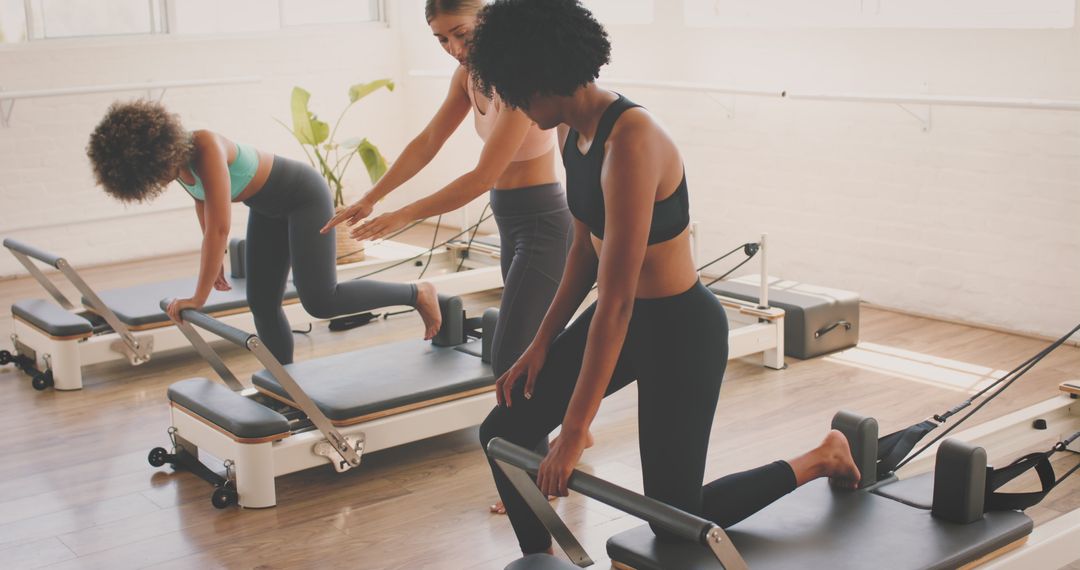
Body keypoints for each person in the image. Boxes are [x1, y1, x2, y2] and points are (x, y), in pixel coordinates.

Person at [468, 0, 862, 555]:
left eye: (516, 90)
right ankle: (540, 559)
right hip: (629, 321)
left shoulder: (631, 142)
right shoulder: (570, 133)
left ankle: (822, 457)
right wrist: (541, 345)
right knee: (500, 434)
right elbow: (582, 251)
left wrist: (576, 430)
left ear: (543, 77)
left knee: (673, 517)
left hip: (681, 331)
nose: (514, 106)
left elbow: (618, 300)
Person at [322, 0, 593, 513]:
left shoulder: (516, 80)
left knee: (511, 359)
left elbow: (481, 176)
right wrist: (372, 196)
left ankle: (534, 483)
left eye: (460, 33)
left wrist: (402, 216)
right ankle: (567, 432)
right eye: (441, 40)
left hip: (542, 224)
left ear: (487, 19)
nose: (453, 48)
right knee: (529, 347)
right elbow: (427, 142)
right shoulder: (469, 78)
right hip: (513, 221)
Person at [86, 100, 442, 364]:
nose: (159, 181)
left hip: (303, 196)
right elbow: (203, 202)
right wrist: (217, 264)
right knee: (262, 303)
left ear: (159, 149)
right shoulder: (173, 164)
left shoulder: (204, 146)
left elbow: (220, 227)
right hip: (268, 208)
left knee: (320, 300)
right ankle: (285, 382)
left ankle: (417, 292)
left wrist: (199, 295)